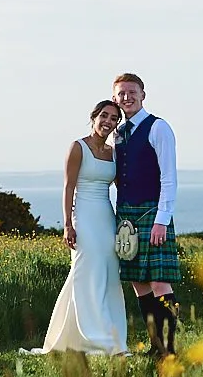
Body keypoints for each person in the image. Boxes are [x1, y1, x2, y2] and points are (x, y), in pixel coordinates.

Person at [29, 99, 129, 355]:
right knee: (86, 270)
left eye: (114, 118)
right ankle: (97, 338)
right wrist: (68, 224)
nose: (108, 122)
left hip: (106, 216)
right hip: (83, 216)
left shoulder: (113, 152)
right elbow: (68, 187)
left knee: (107, 272)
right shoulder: (77, 147)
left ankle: (95, 335)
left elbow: (122, 186)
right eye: (104, 116)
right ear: (94, 117)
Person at [111, 72, 180, 354]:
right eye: (121, 94)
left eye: (132, 92)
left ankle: (169, 348)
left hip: (153, 213)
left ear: (143, 94)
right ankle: (155, 346)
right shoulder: (117, 133)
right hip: (126, 214)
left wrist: (162, 220)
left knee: (159, 281)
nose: (127, 97)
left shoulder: (158, 127)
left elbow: (169, 178)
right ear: (115, 99)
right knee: (139, 282)